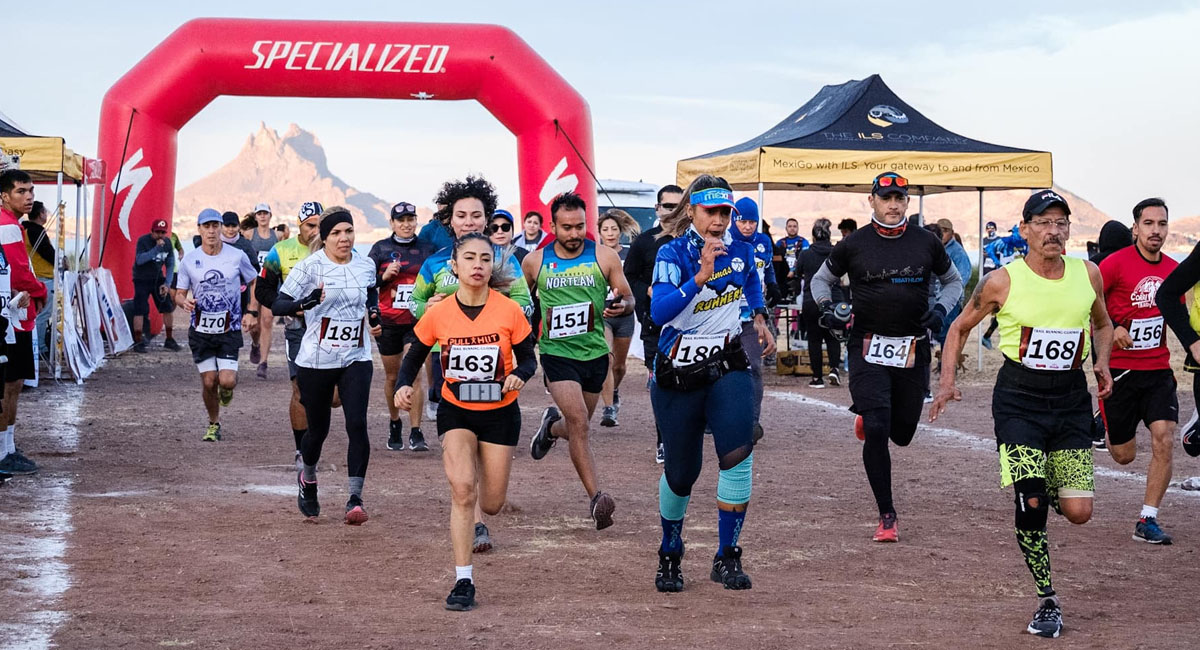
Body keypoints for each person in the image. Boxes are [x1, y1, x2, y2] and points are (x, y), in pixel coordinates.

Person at [932, 189, 1111, 639]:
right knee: (1031, 501)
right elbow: (958, 327)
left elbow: (1103, 323)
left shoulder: (1087, 274)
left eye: (1061, 223)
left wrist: (1102, 362)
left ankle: (1040, 482)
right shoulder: (1001, 281)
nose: (1054, 231)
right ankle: (1047, 597)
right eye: (1044, 222)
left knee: (1078, 511)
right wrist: (947, 381)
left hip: (1071, 399)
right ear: (1025, 229)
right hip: (1019, 400)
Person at [810, 172, 963, 542]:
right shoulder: (854, 244)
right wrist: (829, 308)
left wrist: (941, 311)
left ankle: (875, 417)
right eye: (886, 198)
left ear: (907, 202)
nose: (893, 204)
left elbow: (955, 282)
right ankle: (887, 515)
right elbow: (820, 280)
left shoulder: (926, 242)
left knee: (904, 433)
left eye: (899, 198)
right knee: (877, 426)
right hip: (867, 346)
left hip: (913, 346)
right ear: (872, 200)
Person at [394, 232, 536, 610]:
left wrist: (520, 374)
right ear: (453, 266)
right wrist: (403, 385)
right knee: (462, 491)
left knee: (490, 504)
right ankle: (463, 580)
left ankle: (478, 461)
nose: (478, 265)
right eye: (469, 258)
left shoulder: (508, 310)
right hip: (456, 409)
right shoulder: (438, 313)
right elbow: (414, 354)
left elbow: (528, 358)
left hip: (500, 412)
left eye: (485, 259)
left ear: (493, 266)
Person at [647, 175, 773, 594]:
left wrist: (759, 317)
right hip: (676, 374)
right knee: (682, 473)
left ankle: (728, 554)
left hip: (727, 365)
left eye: (725, 213)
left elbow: (752, 283)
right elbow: (660, 312)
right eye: (710, 212)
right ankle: (670, 551)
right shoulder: (671, 253)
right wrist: (699, 276)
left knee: (738, 453)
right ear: (692, 212)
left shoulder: (742, 250)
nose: (719, 221)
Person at [412, 175, 532, 552]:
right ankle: (473, 517)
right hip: (444, 359)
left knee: (487, 458)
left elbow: (527, 307)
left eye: (476, 215)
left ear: (486, 218)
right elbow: (413, 306)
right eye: (461, 215)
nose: (469, 222)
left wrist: (501, 299)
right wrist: (428, 308)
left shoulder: (506, 262)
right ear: (451, 220)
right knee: (463, 460)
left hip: (497, 369)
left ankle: (482, 506)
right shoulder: (434, 264)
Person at [525, 192, 633, 529]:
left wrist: (621, 305)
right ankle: (597, 498)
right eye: (567, 227)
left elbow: (627, 297)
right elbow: (519, 304)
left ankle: (550, 428)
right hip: (557, 355)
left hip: (595, 354)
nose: (574, 234)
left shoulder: (605, 256)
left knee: (575, 426)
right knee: (581, 424)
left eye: (580, 227)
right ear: (553, 226)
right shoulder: (535, 262)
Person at [273, 206, 380, 525]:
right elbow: (279, 302)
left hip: (356, 356)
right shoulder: (310, 267)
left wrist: (373, 313)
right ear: (324, 237)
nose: (344, 238)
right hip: (316, 360)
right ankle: (308, 478)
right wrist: (301, 305)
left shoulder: (366, 265)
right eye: (336, 233)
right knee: (318, 430)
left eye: (348, 231)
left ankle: (355, 499)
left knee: (357, 424)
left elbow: (371, 290)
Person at [1096, 198, 1178, 545]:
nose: (1155, 231)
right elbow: (1087, 301)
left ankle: (1148, 519)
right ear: (1136, 228)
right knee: (1123, 455)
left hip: (1158, 369)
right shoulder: (1114, 265)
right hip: (1120, 371)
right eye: (1148, 224)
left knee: (1164, 438)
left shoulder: (1175, 268)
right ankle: (1098, 422)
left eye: (1161, 224)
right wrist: (1113, 327)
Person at [173, 208, 259, 442]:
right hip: (200, 330)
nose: (211, 231)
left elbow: (254, 281)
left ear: (221, 228)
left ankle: (228, 389)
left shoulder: (236, 255)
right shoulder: (189, 260)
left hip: (228, 328)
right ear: (199, 230)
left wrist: (251, 311)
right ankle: (213, 423)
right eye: (206, 227)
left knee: (226, 380)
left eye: (215, 226)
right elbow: (178, 293)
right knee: (209, 381)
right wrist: (184, 302)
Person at [256, 201, 323, 468]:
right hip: (297, 330)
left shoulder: (338, 250)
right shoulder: (280, 251)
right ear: (299, 225)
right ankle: (301, 450)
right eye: (310, 226)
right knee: (300, 389)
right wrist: (289, 308)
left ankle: (316, 431)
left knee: (333, 396)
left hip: (330, 329)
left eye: (320, 225)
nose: (316, 231)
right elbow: (263, 290)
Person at [624, 184, 683, 463]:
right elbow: (629, 277)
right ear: (657, 208)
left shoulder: (693, 240)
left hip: (691, 324)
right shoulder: (644, 241)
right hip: (655, 324)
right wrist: (647, 289)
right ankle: (664, 440)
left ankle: (686, 435)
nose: (673, 211)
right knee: (662, 381)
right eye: (668, 206)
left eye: (678, 205)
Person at [368, 201, 432, 451]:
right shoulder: (381, 249)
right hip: (389, 322)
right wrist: (383, 278)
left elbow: (437, 279)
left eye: (410, 219)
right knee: (393, 376)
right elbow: (365, 283)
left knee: (414, 373)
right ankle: (395, 423)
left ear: (416, 221)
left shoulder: (427, 249)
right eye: (401, 220)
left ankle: (416, 431)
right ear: (392, 224)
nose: (406, 224)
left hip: (417, 321)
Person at [0, 169, 47, 476]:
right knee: (9, 385)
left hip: (16, 313)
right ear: (4, 196)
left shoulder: (13, 224)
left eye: (30, 190)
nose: (29, 196)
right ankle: (5, 452)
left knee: (13, 384)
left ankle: (8, 447)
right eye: (21, 191)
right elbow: (18, 272)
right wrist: (40, 290)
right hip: (12, 316)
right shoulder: (7, 227)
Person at [730, 198, 780, 440]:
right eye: (743, 221)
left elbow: (767, 268)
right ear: (734, 220)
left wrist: (772, 283)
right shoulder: (725, 242)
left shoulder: (762, 242)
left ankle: (752, 422)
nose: (748, 227)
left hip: (751, 315)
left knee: (754, 367)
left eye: (752, 222)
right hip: (723, 315)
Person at [596, 208, 641, 427]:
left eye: (614, 228)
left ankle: (613, 391)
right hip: (602, 313)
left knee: (620, 366)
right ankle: (608, 409)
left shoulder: (630, 253)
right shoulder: (595, 255)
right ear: (599, 233)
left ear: (620, 231)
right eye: (605, 229)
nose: (610, 233)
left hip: (624, 312)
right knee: (606, 358)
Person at [795, 218, 841, 387]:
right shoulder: (836, 252)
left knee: (814, 339)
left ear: (813, 236)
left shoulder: (805, 254)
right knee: (833, 336)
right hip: (834, 299)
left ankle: (817, 378)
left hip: (811, 299)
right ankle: (834, 369)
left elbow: (797, 273)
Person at [130, 219, 181, 353]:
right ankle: (138, 341)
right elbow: (140, 260)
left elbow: (170, 264)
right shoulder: (143, 241)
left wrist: (167, 283)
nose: (160, 235)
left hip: (158, 278)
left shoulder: (168, 243)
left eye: (163, 233)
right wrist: (156, 249)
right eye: (157, 232)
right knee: (140, 309)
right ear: (152, 231)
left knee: (167, 307)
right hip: (141, 278)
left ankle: (169, 339)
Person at [980, 224, 1032, 349]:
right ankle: (988, 335)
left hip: (1021, 278)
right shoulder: (1004, 241)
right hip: (1007, 277)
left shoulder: (1026, 243)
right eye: (1014, 232)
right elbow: (989, 249)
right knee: (1007, 306)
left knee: (1013, 308)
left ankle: (989, 335)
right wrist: (997, 263)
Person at [248, 202, 279, 379]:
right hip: (253, 284)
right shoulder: (250, 234)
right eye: (259, 213)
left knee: (267, 321)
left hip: (270, 284)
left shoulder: (278, 235)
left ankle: (263, 363)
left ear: (270, 215)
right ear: (255, 216)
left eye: (265, 213)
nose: (262, 216)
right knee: (254, 325)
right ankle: (255, 344)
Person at [22, 201, 55, 358]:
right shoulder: (36, 231)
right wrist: (61, 262)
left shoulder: (25, 230)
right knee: (43, 315)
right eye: (45, 212)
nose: (47, 214)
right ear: (41, 214)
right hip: (44, 277)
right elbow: (48, 253)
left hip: (34, 276)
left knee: (35, 314)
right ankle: (41, 348)